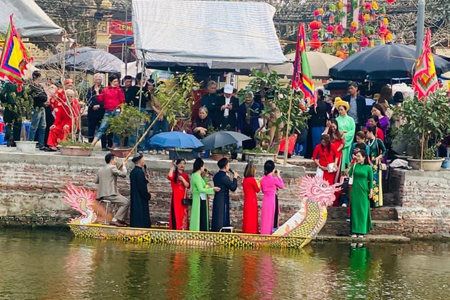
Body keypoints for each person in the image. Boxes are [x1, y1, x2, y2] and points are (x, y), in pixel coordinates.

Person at [95, 153, 129, 227]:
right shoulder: (112, 168)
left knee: (123, 202)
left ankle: (121, 220)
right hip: (110, 194)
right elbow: (123, 174)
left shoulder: (100, 169)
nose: (116, 161)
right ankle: (115, 220)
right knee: (126, 202)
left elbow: (96, 181)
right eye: (115, 159)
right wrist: (124, 166)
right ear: (111, 160)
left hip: (102, 195)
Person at [91, 74, 125, 147]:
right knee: (102, 127)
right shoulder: (105, 90)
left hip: (117, 111)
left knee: (116, 129)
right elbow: (100, 100)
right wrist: (97, 92)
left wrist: (122, 111)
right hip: (108, 111)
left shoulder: (119, 90)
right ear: (111, 82)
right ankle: (93, 144)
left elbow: (122, 101)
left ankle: (114, 146)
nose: (116, 83)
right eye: (115, 81)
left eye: (117, 81)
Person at [189, 158, 220, 231]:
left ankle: (203, 229)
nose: (204, 167)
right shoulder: (196, 175)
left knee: (203, 214)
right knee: (199, 215)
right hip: (198, 198)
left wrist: (206, 176)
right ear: (200, 167)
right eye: (203, 166)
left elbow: (203, 184)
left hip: (202, 198)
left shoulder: (198, 176)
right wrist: (212, 189)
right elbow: (200, 189)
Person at [348, 150, 373, 238]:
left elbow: (371, 181)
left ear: (364, 157)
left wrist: (371, 191)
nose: (357, 158)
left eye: (359, 156)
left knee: (363, 210)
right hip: (355, 190)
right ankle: (354, 230)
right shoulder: (355, 166)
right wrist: (351, 165)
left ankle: (361, 231)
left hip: (364, 191)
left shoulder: (368, 168)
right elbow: (348, 174)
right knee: (354, 210)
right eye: (356, 156)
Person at [211, 158, 239, 232]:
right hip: (222, 198)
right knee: (221, 215)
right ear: (226, 166)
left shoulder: (217, 175)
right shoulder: (224, 177)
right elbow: (233, 187)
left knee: (217, 214)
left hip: (218, 196)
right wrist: (235, 178)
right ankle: (221, 231)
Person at [260, 160, 285, 235]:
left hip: (265, 199)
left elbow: (263, 190)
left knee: (265, 217)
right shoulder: (274, 179)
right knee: (272, 216)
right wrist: (278, 176)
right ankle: (271, 233)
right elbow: (282, 186)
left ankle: (264, 232)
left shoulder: (262, 179)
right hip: (272, 200)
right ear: (273, 169)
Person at [86, 73, 108, 150]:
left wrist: (100, 105)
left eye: (99, 79)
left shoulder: (104, 90)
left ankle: (104, 146)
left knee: (103, 129)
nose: (98, 81)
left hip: (101, 112)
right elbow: (87, 100)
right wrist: (92, 106)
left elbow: (106, 100)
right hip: (92, 112)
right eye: (97, 79)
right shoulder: (89, 90)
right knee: (91, 129)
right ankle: (90, 145)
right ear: (94, 80)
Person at [366, 126, 386, 207]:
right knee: (368, 181)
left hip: (375, 165)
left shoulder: (378, 141)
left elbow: (384, 151)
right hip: (368, 164)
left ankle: (375, 202)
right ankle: (369, 201)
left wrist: (379, 157)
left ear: (371, 132)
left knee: (375, 182)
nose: (366, 134)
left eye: (367, 132)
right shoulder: (367, 142)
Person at [167, 159, 190, 230]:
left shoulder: (185, 175)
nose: (182, 165)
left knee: (183, 213)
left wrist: (182, 179)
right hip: (175, 197)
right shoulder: (174, 174)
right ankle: (175, 228)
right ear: (177, 165)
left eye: (183, 164)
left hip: (183, 197)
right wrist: (172, 165)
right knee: (176, 213)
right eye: (180, 163)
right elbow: (169, 176)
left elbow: (188, 186)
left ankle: (183, 228)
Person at [130, 154, 151, 228]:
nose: (144, 161)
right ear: (139, 161)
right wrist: (148, 195)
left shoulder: (133, 171)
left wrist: (145, 180)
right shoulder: (139, 172)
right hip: (139, 197)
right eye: (143, 160)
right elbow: (141, 187)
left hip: (135, 195)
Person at [28, 71, 48, 150]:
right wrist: (41, 97)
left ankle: (41, 144)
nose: (40, 79)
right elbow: (35, 97)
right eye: (40, 77)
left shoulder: (40, 87)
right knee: (34, 126)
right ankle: (31, 143)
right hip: (35, 108)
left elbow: (45, 96)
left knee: (43, 126)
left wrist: (42, 97)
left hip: (42, 107)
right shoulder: (31, 87)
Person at [335, 98, 356, 171]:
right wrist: (340, 135)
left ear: (345, 110)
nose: (340, 111)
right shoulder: (336, 120)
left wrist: (343, 136)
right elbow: (335, 131)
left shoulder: (351, 120)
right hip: (339, 142)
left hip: (348, 143)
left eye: (342, 110)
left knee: (347, 158)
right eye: (339, 110)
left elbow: (352, 131)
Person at [242, 162, 260, 234]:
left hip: (247, 199)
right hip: (252, 199)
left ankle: (246, 230)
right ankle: (252, 230)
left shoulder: (245, 180)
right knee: (252, 216)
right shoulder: (252, 179)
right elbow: (257, 190)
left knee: (247, 216)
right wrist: (258, 183)